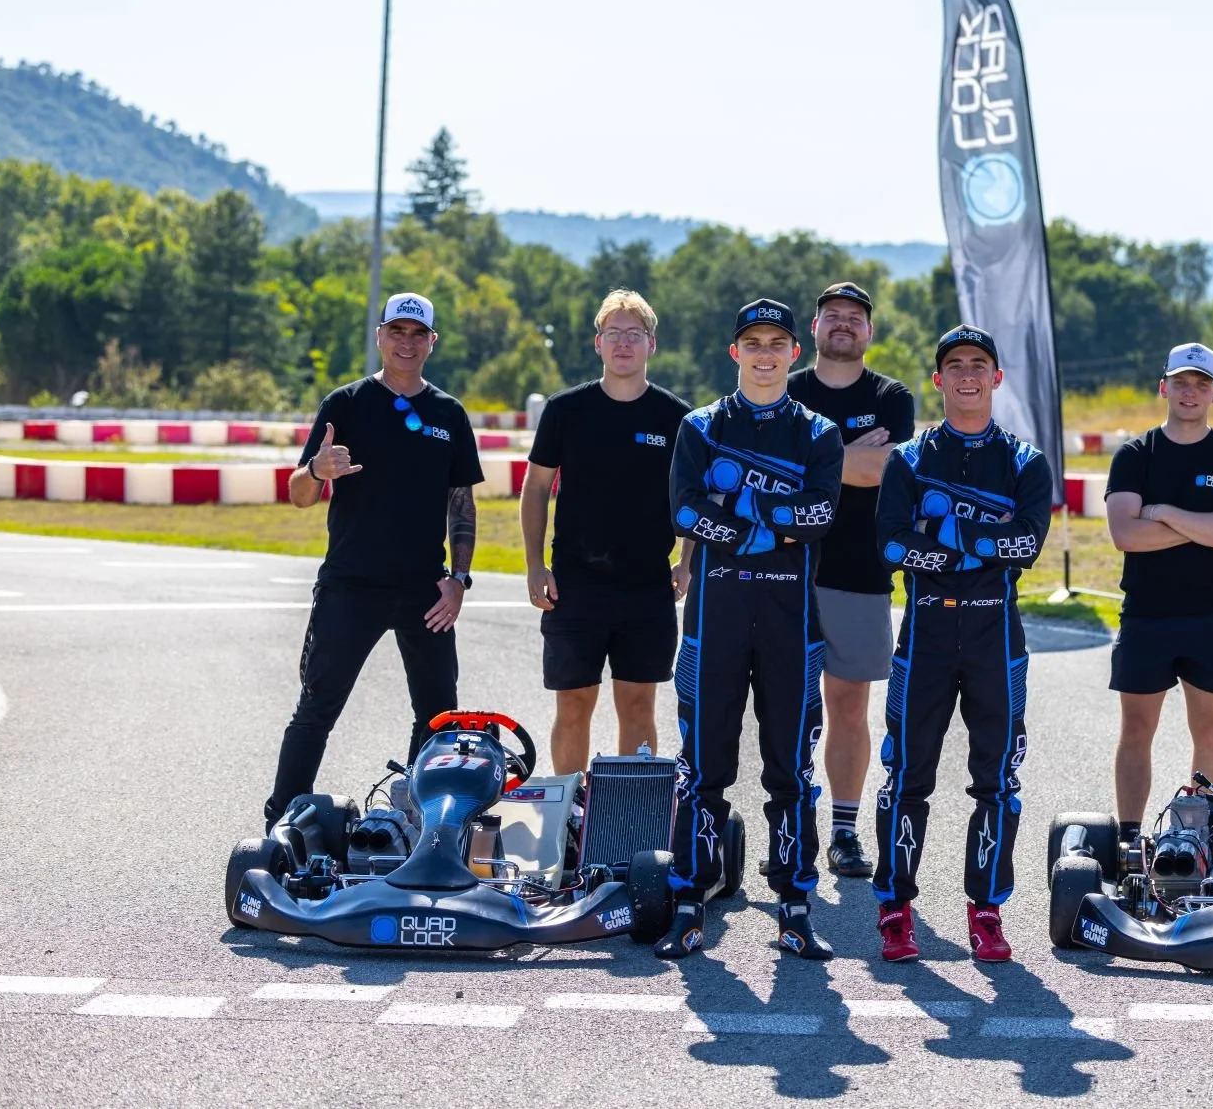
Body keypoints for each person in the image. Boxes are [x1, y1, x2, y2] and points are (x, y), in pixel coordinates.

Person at [658, 298, 844, 960]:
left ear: (795, 352)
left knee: (791, 773)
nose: (765, 354)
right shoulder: (700, 427)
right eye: (753, 343)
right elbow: (683, 510)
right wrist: (770, 524)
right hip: (714, 621)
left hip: (793, 625)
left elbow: (820, 515)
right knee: (701, 769)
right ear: (735, 352)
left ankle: (794, 903)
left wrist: (735, 514)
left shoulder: (819, 433)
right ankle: (688, 897)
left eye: (777, 343)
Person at [264, 292, 485, 826]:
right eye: (397, 332)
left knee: (438, 719)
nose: (406, 343)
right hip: (350, 584)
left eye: (418, 334)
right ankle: (281, 821)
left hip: (424, 590)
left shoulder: (448, 414)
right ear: (380, 336)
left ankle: (422, 819)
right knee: (317, 708)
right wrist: (317, 470)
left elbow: (462, 503)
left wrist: (458, 579)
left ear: (432, 342)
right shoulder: (345, 404)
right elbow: (298, 495)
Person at [870, 325, 1053, 963]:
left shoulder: (1026, 462)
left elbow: (1026, 544)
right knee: (905, 777)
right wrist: (980, 542)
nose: (968, 375)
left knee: (997, 780)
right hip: (922, 634)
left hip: (995, 638)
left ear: (996, 378)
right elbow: (891, 544)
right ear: (939, 379)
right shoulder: (909, 460)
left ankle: (987, 909)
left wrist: (942, 539)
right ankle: (895, 908)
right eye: (955, 365)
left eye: (979, 364)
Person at [520, 289, 692, 774]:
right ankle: (571, 819)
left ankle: (629, 823)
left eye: (633, 335)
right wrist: (535, 565)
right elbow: (535, 489)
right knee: (574, 705)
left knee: (638, 705)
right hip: (575, 585)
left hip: (646, 587)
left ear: (651, 345)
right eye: (613, 334)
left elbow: (692, 497)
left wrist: (687, 561)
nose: (623, 344)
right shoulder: (566, 410)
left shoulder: (675, 417)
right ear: (598, 343)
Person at [1103, 343, 1213, 846]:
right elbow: (1126, 535)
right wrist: (1204, 525)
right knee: (1136, 732)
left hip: (1209, 615)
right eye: (1181, 383)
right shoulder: (1134, 454)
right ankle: (1129, 838)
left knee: (1209, 735)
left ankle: (1200, 837)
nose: (1190, 393)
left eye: (1201, 384)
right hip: (1146, 614)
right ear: (1163, 387)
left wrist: (1164, 512)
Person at [786, 281, 916, 880]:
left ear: (870, 331)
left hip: (859, 572)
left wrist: (814, 462)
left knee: (847, 706)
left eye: (854, 317)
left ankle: (843, 830)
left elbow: (886, 472)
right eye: (831, 315)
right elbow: (774, 478)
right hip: (780, 568)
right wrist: (847, 456)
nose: (843, 324)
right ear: (813, 328)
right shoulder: (784, 390)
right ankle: (787, 829)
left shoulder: (892, 398)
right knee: (780, 708)